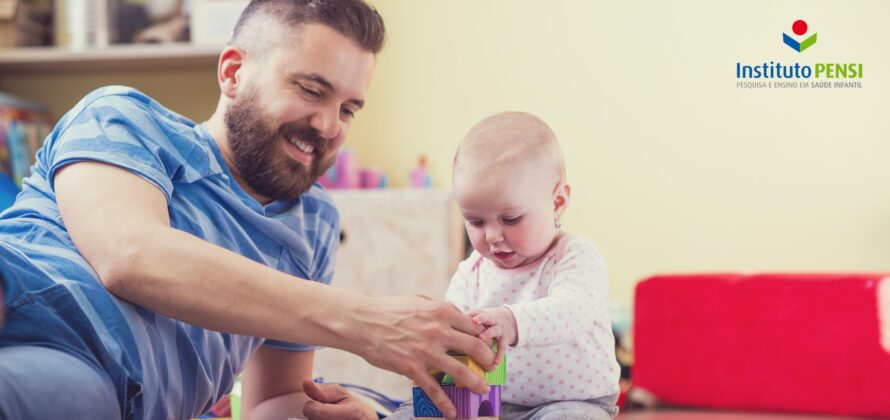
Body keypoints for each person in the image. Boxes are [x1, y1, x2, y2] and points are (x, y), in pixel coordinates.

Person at [0, 1, 494, 419]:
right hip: (21, 298)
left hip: (96, 384)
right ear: (234, 72)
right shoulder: (124, 118)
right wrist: (366, 322)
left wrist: (324, 411)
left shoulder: (312, 222)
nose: (328, 126)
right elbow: (130, 256)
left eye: (347, 110)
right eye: (311, 90)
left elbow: (272, 400)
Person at [390, 112, 620, 420]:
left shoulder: (575, 257)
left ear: (557, 203)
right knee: (416, 412)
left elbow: (571, 311)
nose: (493, 236)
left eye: (510, 219)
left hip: (572, 402)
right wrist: (439, 335)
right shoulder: (471, 271)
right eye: (475, 221)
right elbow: (454, 331)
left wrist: (511, 322)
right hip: (484, 399)